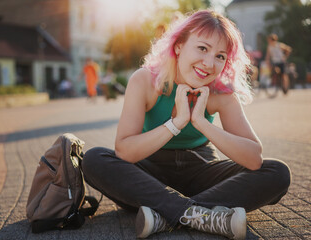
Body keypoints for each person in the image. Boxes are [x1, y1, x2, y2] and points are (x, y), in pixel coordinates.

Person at [82, 10, 291, 240]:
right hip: (149, 176)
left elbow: (254, 158)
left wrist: (201, 122)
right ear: (179, 45)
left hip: (201, 173)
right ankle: (199, 214)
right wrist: (177, 123)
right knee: (94, 159)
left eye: (220, 56)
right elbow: (124, 150)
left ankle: (167, 215)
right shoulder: (145, 81)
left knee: (277, 172)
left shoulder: (221, 94)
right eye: (202, 48)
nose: (210, 64)